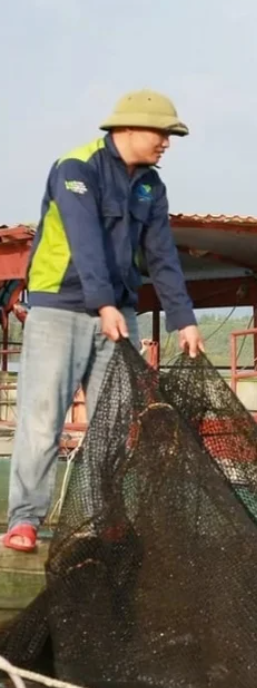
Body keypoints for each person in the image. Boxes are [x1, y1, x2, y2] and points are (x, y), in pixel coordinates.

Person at [3, 89, 204, 553]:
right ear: (128, 128)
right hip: (60, 308)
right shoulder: (76, 168)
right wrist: (102, 304)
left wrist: (184, 318)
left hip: (119, 312)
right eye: (162, 133)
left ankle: (95, 521)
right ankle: (25, 520)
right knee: (42, 417)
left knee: (113, 422)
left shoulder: (152, 185)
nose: (167, 143)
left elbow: (162, 254)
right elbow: (84, 239)